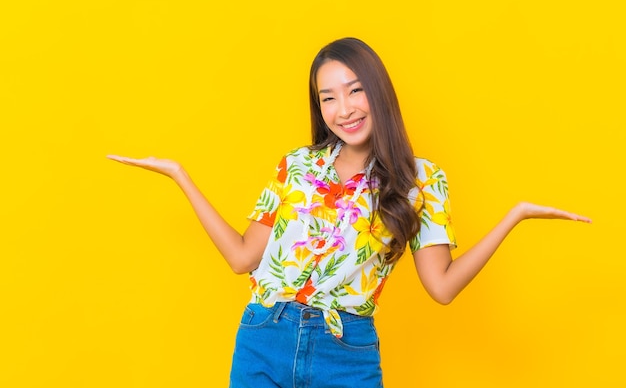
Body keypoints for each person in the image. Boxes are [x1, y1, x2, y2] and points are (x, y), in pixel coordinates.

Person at [107, 37, 591, 388]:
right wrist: (180, 176)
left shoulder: (420, 180)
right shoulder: (297, 165)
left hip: (347, 353)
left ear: (378, 92)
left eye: (355, 90)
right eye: (328, 97)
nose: (344, 108)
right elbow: (241, 258)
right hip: (263, 338)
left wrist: (514, 216)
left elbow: (441, 287)